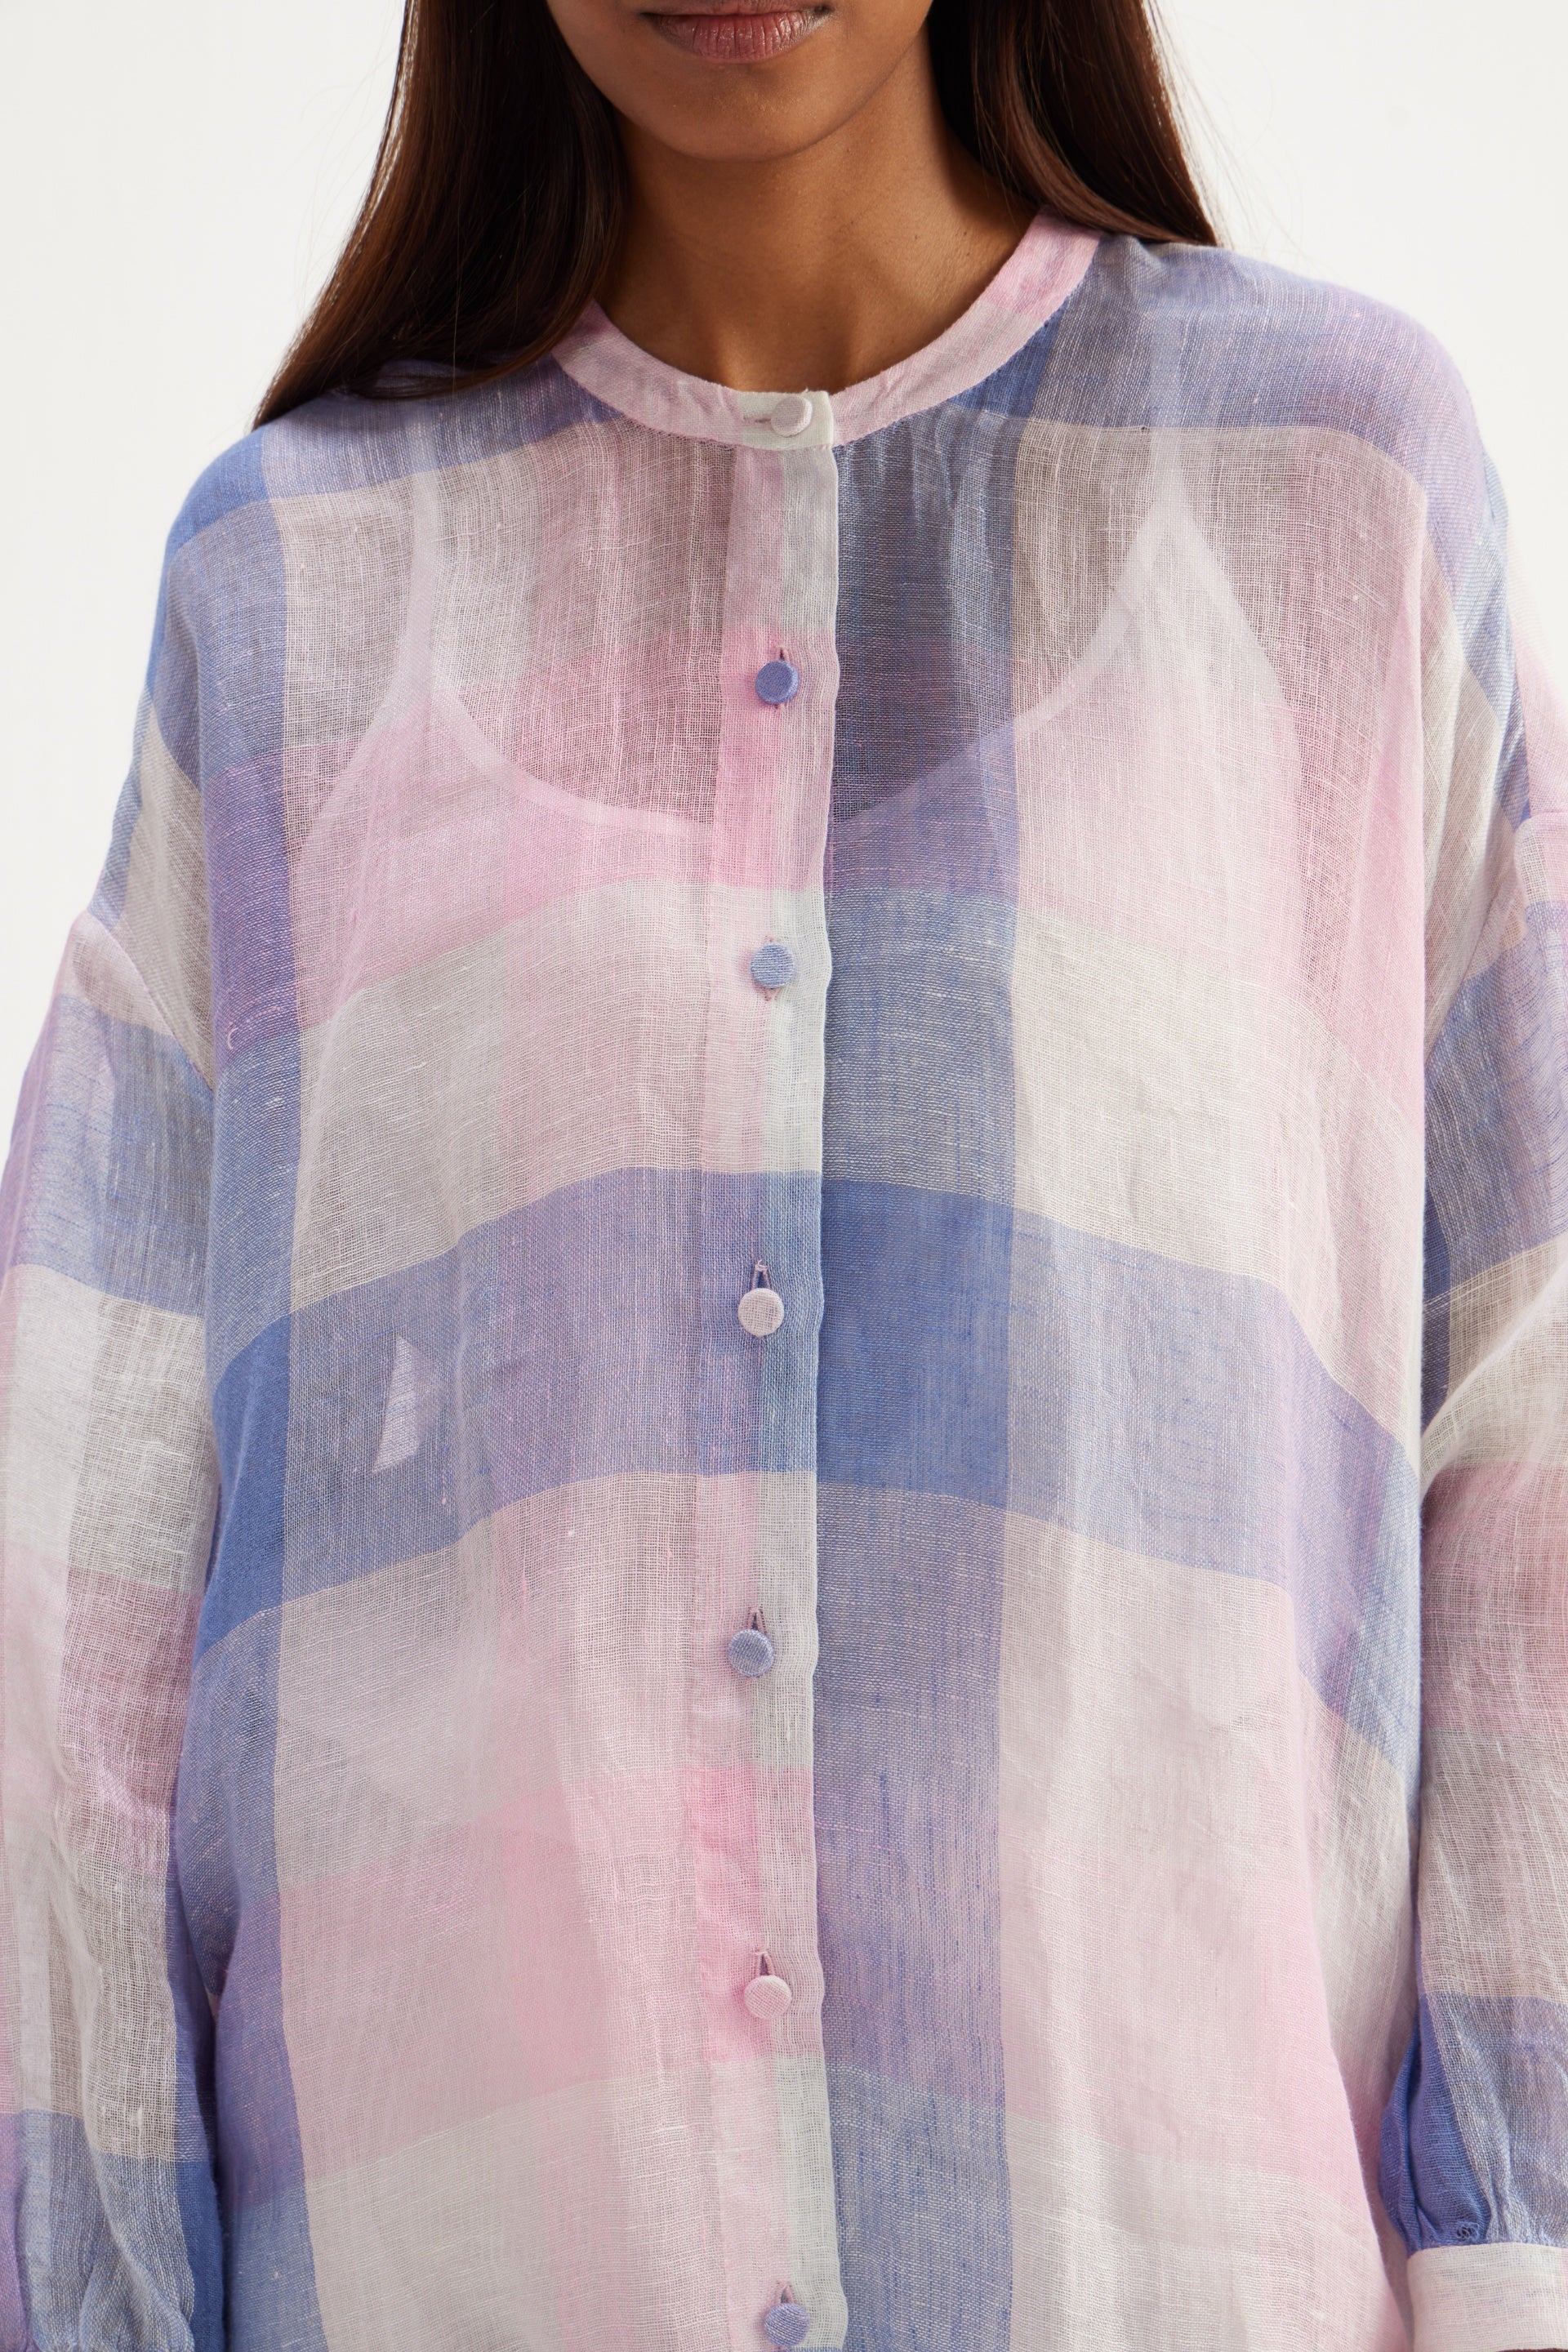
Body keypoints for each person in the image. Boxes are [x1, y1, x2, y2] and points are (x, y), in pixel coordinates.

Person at [1, 0, 1564, 2341]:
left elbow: (1527, 1451)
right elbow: (78, 1587)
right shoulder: (296, 591)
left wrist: (1517, 2255)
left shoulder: (1331, 493)